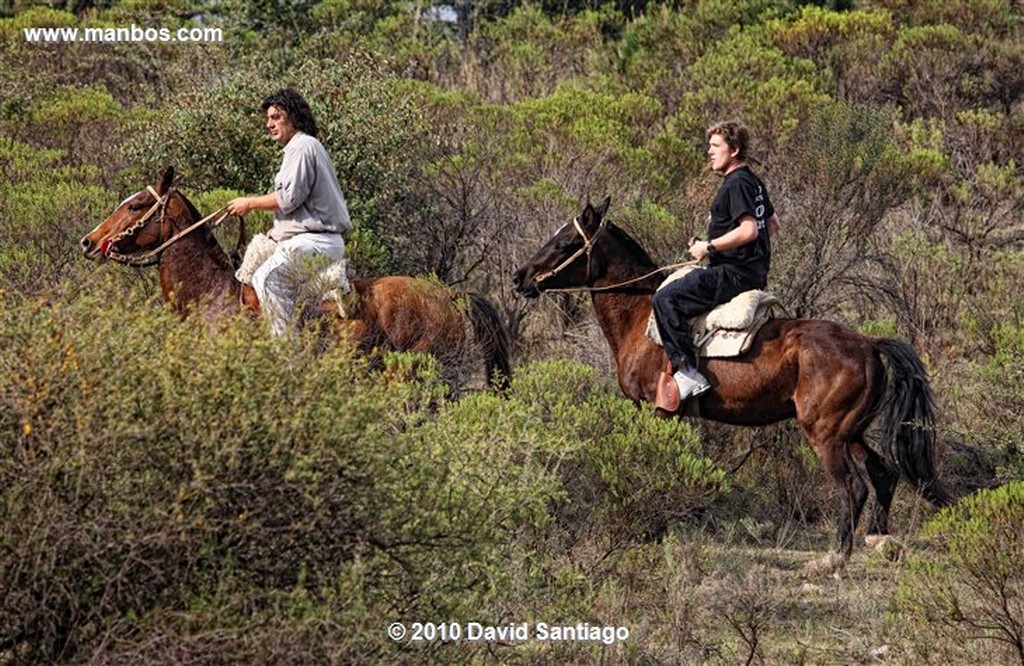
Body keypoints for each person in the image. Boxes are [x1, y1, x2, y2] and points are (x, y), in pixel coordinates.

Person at [653, 120, 780, 401]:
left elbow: (749, 230)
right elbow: (772, 223)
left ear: (733, 150)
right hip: (745, 270)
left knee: (665, 300)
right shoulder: (752, 181)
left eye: (715, 146)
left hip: (734, 274)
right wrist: (720, 245)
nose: (709, 152)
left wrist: (709, 246)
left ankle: (688, 373)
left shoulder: (736, 184)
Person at [227, 87, 353, 337]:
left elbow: (288, 198)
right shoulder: (303, 147)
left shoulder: (302, 146)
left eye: (276, 117)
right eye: (268, 119)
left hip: (316, 241)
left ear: (293, 117)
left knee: (267, 278)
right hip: (309, 241)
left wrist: (249, 203)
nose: (269, 124)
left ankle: (287, 357)